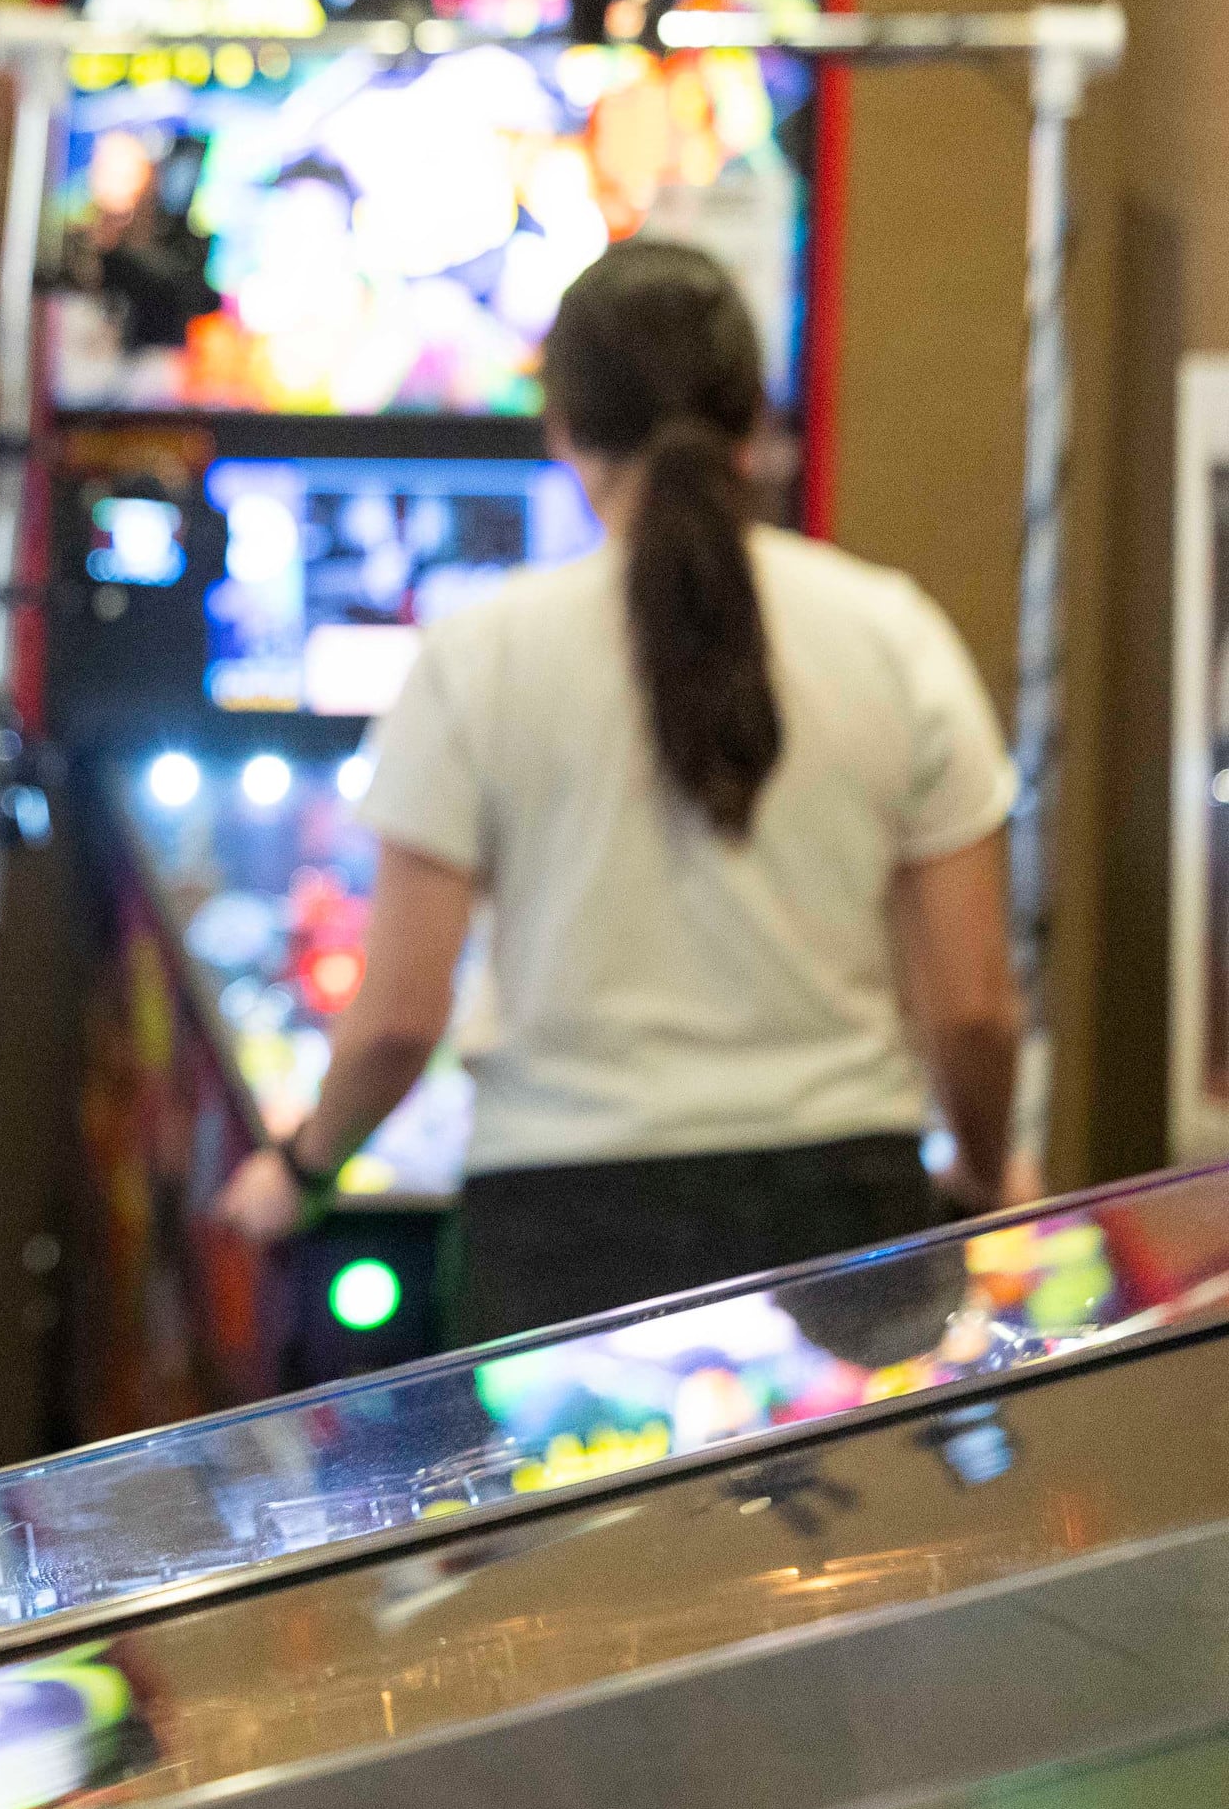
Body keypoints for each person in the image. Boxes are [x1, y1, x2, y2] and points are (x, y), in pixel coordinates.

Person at [216, 240, 1026, 1343]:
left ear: (562, 428)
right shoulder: (897, 636)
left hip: (558, 1232)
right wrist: (983, 1170)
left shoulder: (477, 656)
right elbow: (972, 1010)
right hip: (844, 1214)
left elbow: (399, 1020)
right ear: (756, 422)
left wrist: (302, 1170)